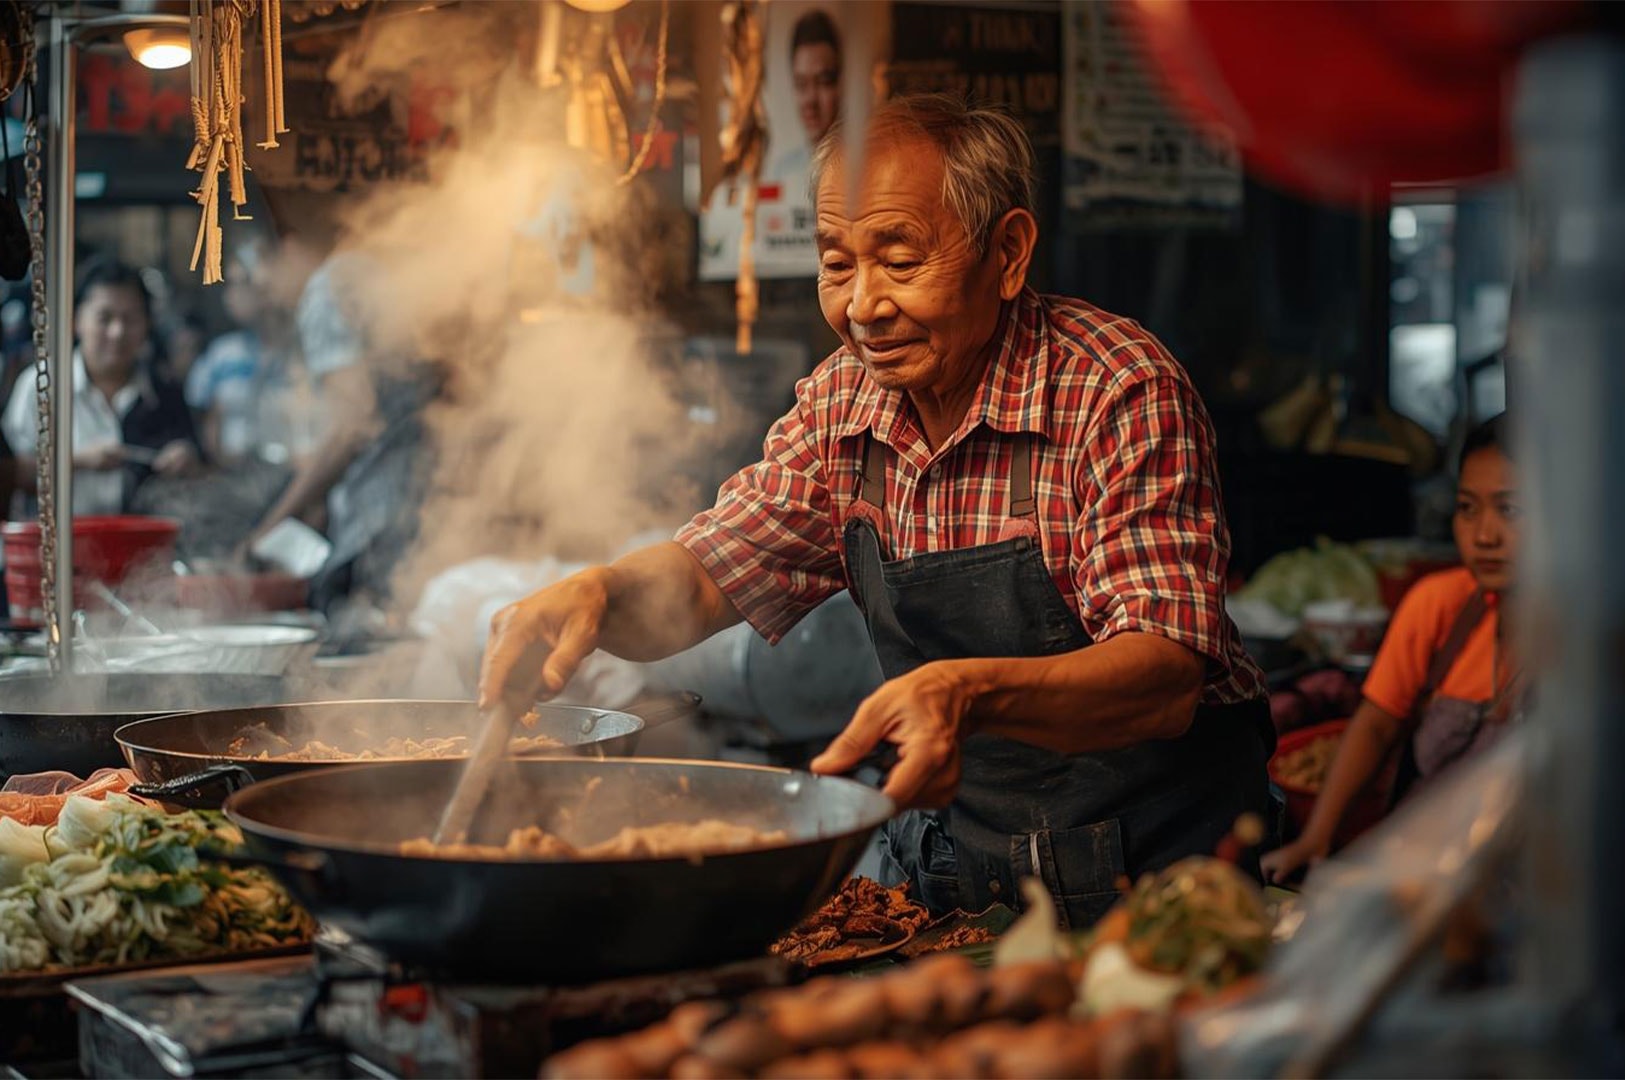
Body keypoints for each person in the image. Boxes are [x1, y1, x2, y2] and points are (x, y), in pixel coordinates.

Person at [482, 95, 1273, 928]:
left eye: (899, 262)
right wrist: (600, 594)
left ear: (1007, 253)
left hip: (1160, 881)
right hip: (956, 867)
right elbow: (710, 572)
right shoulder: (841, 400)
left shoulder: (1115, 389)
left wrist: (962, 694)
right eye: (836, 264)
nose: (862, 305)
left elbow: (1161, 678)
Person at [1263, 414, 1522, 884]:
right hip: (1416, 875)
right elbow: (1377, 725)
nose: (1484, 535)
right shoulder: (1440, 605)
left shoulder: (1589, 642)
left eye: (1511, 510)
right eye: (1468, 508)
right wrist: (1316, 837)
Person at [2, 260, 200, 516]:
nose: (118, 332)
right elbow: (9, 473)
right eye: (104, 318)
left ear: (147, 325)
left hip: (139, 548)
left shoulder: (164, 391)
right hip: (55, 548)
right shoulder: (39, 385)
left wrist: (185, 458)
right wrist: (79, 462)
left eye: (130, 319)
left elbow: (200, 468)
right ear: (76, 321)